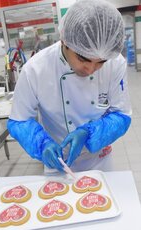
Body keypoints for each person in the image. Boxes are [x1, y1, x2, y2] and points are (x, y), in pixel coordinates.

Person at [7, 0, 132, 173]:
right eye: (83, 59)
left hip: (100, 159)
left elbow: (122, 115)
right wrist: (42, 144)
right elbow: (19, 120)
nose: (90, 69)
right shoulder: (36, 69)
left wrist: (89, 134)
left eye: (100, 63)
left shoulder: (115, 63)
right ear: (64, 41)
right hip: (57, 161)